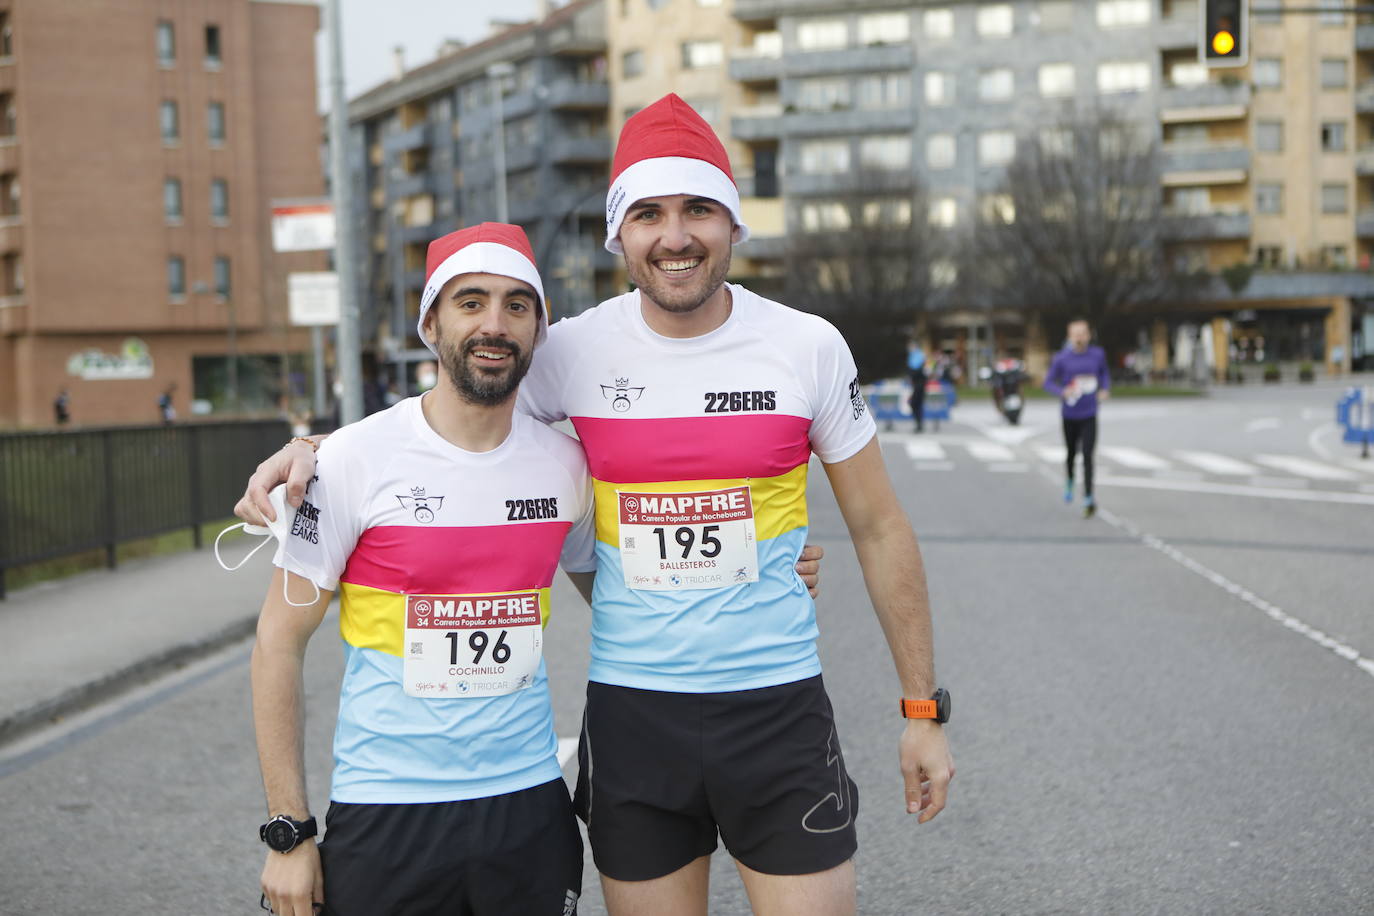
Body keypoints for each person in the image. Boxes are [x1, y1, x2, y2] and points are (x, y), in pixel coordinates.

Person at [240, 95, 950, 916]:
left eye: (699, 211)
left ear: (733, 225)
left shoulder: (807, 346)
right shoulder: (569, 350)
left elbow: (878, 524)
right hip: (632, 718)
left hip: (776, 707)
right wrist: (318, 454)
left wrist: (923, 709)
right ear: (621, 234)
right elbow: (453, 410)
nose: (675, 236)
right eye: (648, 213)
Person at [251, 224, 596, 916]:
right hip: (387, 811)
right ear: (431, 323)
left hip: (527, 807)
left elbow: (621, 595)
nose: (494, 324)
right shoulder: (348, 461)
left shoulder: (566, 467)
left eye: (516, 306)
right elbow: (276, 646)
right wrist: (289, 834)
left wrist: (772, 569)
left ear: (538, 328)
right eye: (471, 303)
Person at [1044, 318, 1111, 518]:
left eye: (1083, 333)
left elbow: (1104, 374)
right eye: (1076, 334)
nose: (1080, 337)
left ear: (1089, 335)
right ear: (1070, 336)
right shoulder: (1061, 358)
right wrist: (1062, 391)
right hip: (1069, 414)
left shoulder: (1097, 355)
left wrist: (1105, 389)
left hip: (1090, 413)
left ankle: (1089, 496)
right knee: (1072, 453)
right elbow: (1048, 383)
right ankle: (1070, 480)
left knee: (1088, 455)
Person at [906, 338, 927, 433]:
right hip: (918, 385)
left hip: (919, 385)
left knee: (915, 404)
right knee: (917, 404)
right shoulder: (916, 356)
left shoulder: (917, 356)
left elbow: (916, 371)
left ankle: (919, 424)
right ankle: (919, 424)